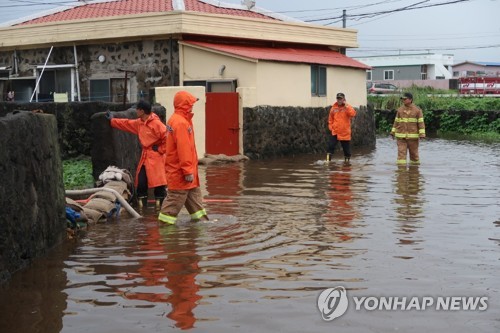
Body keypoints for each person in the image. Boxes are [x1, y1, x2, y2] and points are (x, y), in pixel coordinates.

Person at [158, 91, 208, 224]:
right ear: (184, 105)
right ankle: (164, 229)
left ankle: (202, 224)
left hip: (182, 170)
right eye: (190, 103)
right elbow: (184, 149)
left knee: (194, 200)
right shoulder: (181, 123)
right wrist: (187, 171)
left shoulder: (177, 120)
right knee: (175, 199)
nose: (192, 106)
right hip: (181, 172)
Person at [106, 100, 167, 210]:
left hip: (156, 157)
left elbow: (169, 139)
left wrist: (160, 149)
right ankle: (142, 210)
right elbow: (126, 123)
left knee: (159, 185)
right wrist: (112, 120)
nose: (135, 111)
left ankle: (160, 210)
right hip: (146, 157)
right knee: (141, 183)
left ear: (142, 111)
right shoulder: (140, 123)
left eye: (137, 109)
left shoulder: (157, 124)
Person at [390, 92, 426, 165]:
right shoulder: (399, 110)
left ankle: (414, 173)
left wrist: (422, 134)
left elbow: (421, 122)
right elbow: (396, 122)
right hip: (401, 137)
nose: (403, 100)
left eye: (405, 99)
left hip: (413, 137)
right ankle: (401, 173)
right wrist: (392, 132)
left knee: (414, 155)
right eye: (402, 99)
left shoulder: (417, 110)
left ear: (410, 100)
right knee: (401, 155)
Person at [327, 92, 357, 163]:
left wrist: (347, 106)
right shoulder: (333, 108)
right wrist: (331, 127)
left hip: (345, 133)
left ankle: (347, 164)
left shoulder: (347, 107)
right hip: (335, 132)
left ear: (344, 99)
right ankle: (327, 162)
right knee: (330, 147)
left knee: (347, 151)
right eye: (338, 99)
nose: (339, 100)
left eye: (340, 99)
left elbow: (353, 114)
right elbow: (330, 119)